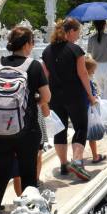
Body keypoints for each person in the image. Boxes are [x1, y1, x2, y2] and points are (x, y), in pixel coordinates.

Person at [0, 27, 51, 214]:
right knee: (29, 175)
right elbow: (47, 96)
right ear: (28, 44)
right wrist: (32, 102)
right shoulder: (33, 66)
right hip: (25, 130)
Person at [42, 18, 96, 182]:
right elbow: (83, 74)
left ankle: (64, 164)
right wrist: (90, 95)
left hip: (55, 97)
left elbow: (46, 76)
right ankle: (77, 161)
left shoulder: (47, 51)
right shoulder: (75, 50)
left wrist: (45, 98)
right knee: (80, 127)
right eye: (77, 32)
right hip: (75, 94)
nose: (78, 36)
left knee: (60, 130)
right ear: (70, 31)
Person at [87, 20, 107, 100]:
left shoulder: (91, 38)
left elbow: (89, 54)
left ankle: (103, 109)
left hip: (96, 67)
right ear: (104, 25)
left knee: (101, 91)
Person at [85, 57, 106, 163]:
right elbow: (91, 97)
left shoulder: (81, 81)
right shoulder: (87, 82)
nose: (94, 72)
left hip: (82, 109)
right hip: (90, 110)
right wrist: (96, 100)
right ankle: (95, 156)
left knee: (81, 134)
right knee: (92, 135)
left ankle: (78, 158)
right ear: (87, 70)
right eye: (93, 70)